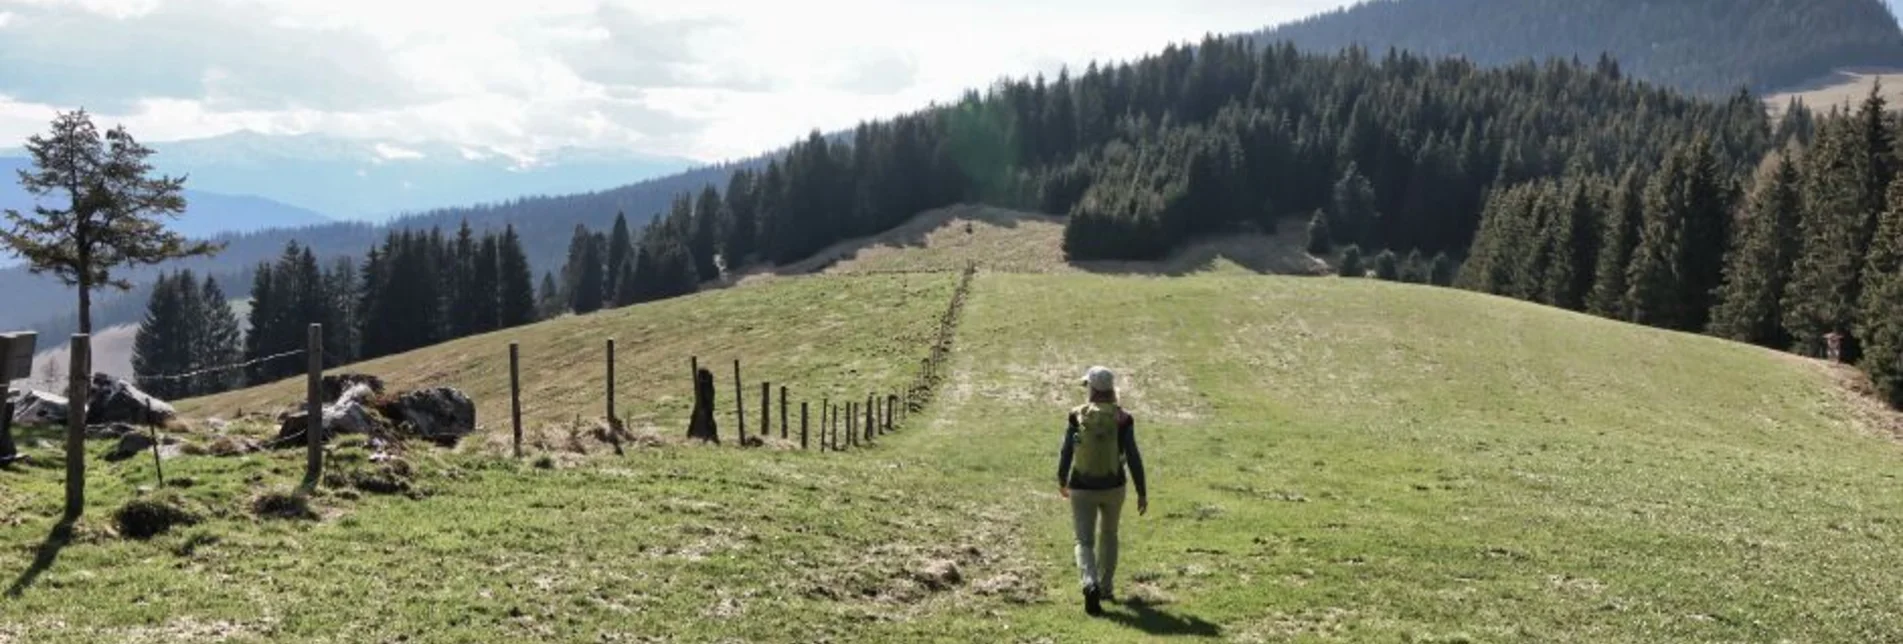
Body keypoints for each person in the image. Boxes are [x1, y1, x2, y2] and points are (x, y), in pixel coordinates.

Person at [1058, 365, 1148, 616]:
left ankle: (1089, 583)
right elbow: (1132, 455)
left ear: (1092, 390)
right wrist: (1142, 491)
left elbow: (1067, 450)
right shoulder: (1123, 418)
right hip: (1114, 486)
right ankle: (1106, 588)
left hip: (1081, 487)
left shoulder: (1077, 416)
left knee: (1084, 540)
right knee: (1109, 534)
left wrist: (1061, 478)